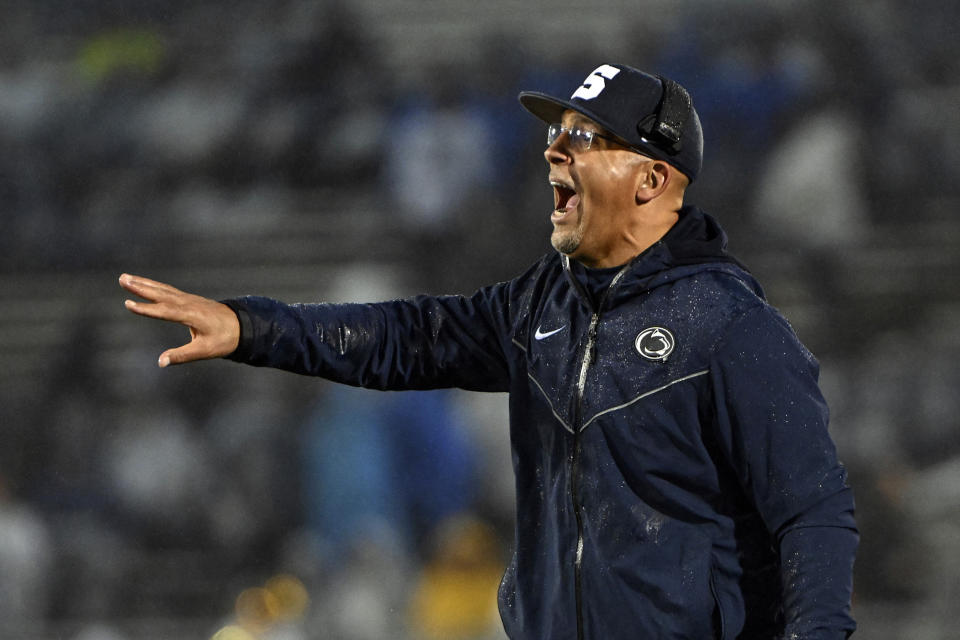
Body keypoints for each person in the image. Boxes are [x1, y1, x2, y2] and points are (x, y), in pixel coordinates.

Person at [120, 63, 858, 639]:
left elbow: (814, 512)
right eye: (555, 133)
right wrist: (254, 328)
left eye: (583, 138)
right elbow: (409, 338)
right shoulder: (542, 303)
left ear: (652, 178)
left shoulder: (731, 326)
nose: (553, 153)